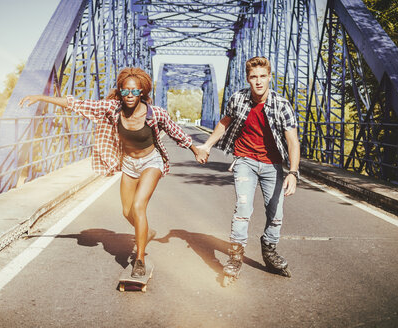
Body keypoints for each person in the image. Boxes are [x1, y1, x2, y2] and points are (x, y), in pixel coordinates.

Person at [19, 67, 200, 278]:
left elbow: (175, 130)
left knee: (138, 205)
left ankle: (139, 259)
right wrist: (40, 97)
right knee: (126, 211)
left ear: (142, 91)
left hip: (152, 161)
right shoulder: (112, 108)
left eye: (134, 91)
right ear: (120, 92)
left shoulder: (155, 113)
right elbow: (76, 104)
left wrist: (196, 149)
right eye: (125, 91)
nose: (129, 95)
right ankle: (146, 231)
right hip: (129, 164)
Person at [196, 56, 300, 277]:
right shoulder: (239, 99)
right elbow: (225, 122)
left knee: (276, 214)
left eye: (263, 76)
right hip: (245, 161)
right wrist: (206, 145)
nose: (259, 81)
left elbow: (292, 140)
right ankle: (235, 256)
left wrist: (293, 172)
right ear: (247, 78)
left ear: (270, 77)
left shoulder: (281, 105)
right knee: (243, 207)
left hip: (273, 165)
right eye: (254, 77)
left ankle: (269, 250)